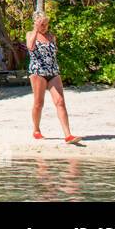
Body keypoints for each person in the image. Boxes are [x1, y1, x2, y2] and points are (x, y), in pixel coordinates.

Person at [26, 12, 77, 143]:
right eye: (41, 24)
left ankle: (68, 134)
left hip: (53, 71)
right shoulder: (30, 35)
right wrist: (36, 31)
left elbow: (54, 52)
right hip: (38, 72)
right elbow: (30, 48)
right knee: (39, 103)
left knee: (60, 101)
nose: (44, 26)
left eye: (46, 24)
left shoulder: (52, 36)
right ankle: (36, 130)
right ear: (36, 23)